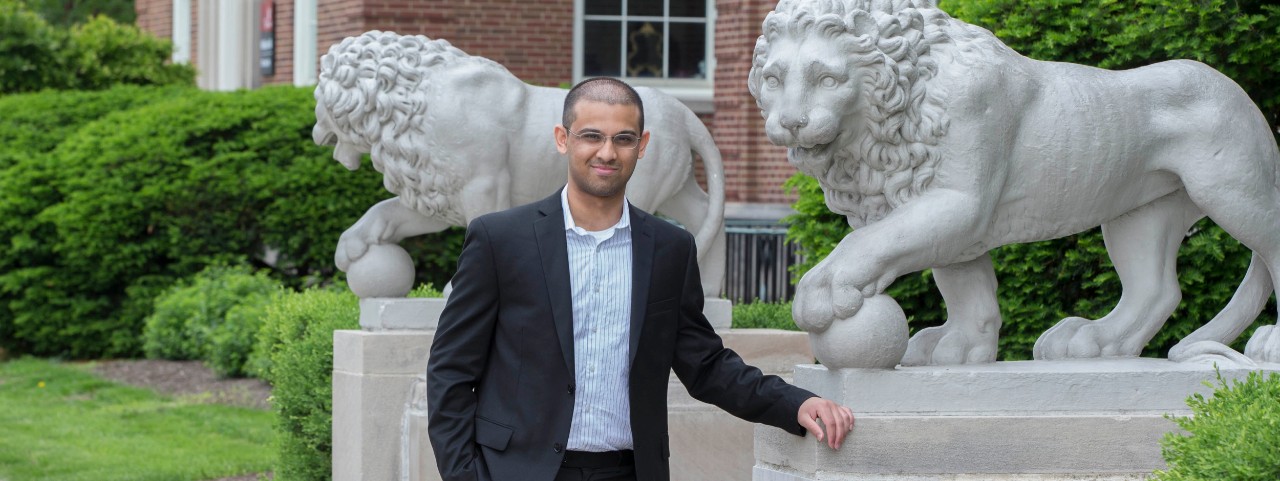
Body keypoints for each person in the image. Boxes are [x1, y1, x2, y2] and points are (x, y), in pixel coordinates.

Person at [426, 77, 854, 481]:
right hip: (516, 470)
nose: (607, 153)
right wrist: (464, 474)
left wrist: (795, 404)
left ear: (642, 145)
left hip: (629, 470)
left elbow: (705, 365)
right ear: (563, 139)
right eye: (591, 136)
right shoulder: (500, 239)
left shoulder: (670, 249)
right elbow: (451, 368)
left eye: (623, 139)